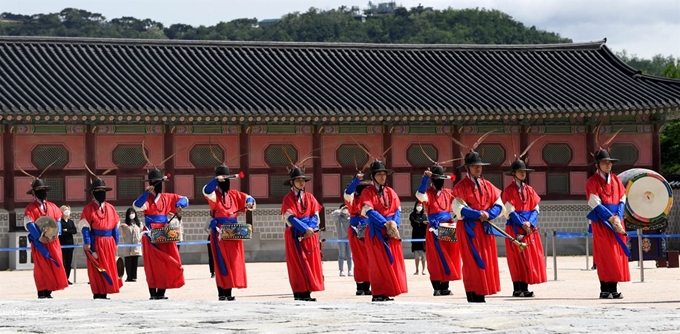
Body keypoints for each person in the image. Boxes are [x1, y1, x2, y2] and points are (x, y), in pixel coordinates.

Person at [451, 149, 504, 303]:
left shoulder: (488, 185)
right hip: (469, 229)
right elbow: (458, 208)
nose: (478, 168)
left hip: (485, 228)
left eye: (479, 166)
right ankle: (473, 294)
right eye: (474, 166)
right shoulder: (460, 186)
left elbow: (498, 204)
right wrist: (477, 214)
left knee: (486, 259)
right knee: (472, 261)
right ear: (467, 168)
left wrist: (489, 214)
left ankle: (482, 291)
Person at [133, 168, 189, 300]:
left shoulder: (167, 197)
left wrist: (180, 205)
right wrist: (146, 193)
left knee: (166, 262)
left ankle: (161, 292)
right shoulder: (146, 198)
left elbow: (184, 199)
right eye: (154, 182)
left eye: (159, 182)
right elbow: (136, 206)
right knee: (152, 264)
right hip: (151, 233)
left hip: (164, 232)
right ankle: (153, 293)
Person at [203, 164, 256, 301]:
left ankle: (229, 291)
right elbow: (206, 190)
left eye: (227, 179)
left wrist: (249, 203)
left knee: (232, 261)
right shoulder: (214, 195)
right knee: (222, 261)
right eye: (223, 179)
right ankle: (222, 292)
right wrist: (215, 180)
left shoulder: (234, 194)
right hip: (220, 231)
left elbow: (249, 198)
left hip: (234, 232)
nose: (225, 182)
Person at [359, 160, 408, 302]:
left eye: (384, 174)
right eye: (379, 174)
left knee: (390, 263)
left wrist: (394, 224)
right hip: (376, 232)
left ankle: (388, 291)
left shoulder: (390, 192)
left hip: (390, 232)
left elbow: (397, 210)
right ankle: (378, 292)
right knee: (377, 264)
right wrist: (385, 223)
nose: (382, 177)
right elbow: (369, 211)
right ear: (373, 176)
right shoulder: (367, 192)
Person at [586, 148, 629, 299]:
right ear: (597, 165)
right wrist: (611, 218)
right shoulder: (592, 181)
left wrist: (618, 217)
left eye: (609, 162)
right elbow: (595, 203)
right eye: (604, 162)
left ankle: (614, 288)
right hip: (602, 222)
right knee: (605, 254)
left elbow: (622, 198)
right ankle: (605, 288)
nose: (608, 165)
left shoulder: (616, 180)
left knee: (616, 254)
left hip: (617, 220)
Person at [502, 158, 547, 297]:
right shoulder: (508, 191)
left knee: (528, 257)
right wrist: (522, 223)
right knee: (516, 259)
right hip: (515, 227)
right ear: (514, 173)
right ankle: (517, 288)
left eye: (524, 171)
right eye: (520, 171)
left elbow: (536, 209)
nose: (523, 173)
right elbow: (509, 211)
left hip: (529, 228)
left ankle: (525, 287)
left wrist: (530, 223)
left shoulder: (530, 190)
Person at [416, 165, 462, 296]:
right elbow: (419, 195)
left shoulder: (448, 192)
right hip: (434, 228)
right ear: (433, 180)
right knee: (435, 257)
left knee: (449, 255)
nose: (440, 182)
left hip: (447, 226)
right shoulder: (428, 194)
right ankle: (436, 287)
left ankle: (445, 286)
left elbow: (459, 203)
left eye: (442, 179)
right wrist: (425, 179)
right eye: (437, 179)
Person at [281, 164, 324, 302]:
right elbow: (290, 217)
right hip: (295, 235)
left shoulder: (310, 197)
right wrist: (304, 229)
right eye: (298, 180)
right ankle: (300, 292)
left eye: (303, 180)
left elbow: (315, 214)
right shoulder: (287, 199)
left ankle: (308, 292)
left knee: (310, 263)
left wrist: (310, 229)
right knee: (297, 264)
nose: (301, 182)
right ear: (292, 182)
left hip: (309, 235)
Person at [23, 177, 69, 299]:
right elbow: (29, 224)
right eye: (38, 190)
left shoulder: (53, 206)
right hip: (39, 243)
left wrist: (55, 234)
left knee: (54, 264)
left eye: (43, 189)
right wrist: (39, 237)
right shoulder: (30, 208)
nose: (41, 192)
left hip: (53, 241)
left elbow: (58, 221)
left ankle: (50, 289)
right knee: (41, 266)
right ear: (34, 192)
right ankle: (41, 290)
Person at [79, 177, 123, 299]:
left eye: (103, 190)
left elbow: (115, 227)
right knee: (96, 269)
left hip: (109, 242)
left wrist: (116, 242)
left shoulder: (111, 208)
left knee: (108, 267)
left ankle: (106, 291)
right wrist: (87, 242)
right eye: (98, 191)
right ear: (93, 193)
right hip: (96, 241)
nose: (101, 193)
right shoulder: (88, 209)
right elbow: (85, 227)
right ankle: (98, 293)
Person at [343, 175, 373, 296]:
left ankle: (367, 285)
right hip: (356, 229)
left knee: (369, 258)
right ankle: (360, 286)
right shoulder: (351, 199)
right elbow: (348, 191)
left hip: (368, 229)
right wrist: (356, 180)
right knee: (358, 258)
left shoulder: (369, 200)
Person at [120, 207, 143, 282]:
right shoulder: (124, 223)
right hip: (128, 245)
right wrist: (122, 226)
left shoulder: (139, 223)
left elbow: (142, 232)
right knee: (128, 261)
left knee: (134, 261)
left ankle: (134, 276)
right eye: (130, 213)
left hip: (136, 245)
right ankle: (129, 276)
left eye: (133, 213)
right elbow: (118, 228)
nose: (131, 214)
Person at [331, 204, 353, 277]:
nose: (345, 209)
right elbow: (333, 214)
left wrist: (348, 210)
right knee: (342, 255)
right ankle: (341, 270)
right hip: (341, 239)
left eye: (347, 208)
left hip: (349, 239)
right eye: (344, 208)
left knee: (349, 256)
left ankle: (350, 270)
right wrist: (341, 210)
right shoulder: (338, 218)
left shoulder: (350, 217)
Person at [58, 205, 77, 285]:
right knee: (62, 262)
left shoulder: (70, 222)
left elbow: (74, 231)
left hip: (70, 244)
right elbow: (60, 232)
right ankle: (61, 278)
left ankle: (67, 278)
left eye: (68, 210)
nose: (67, 211)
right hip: (62, 244)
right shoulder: (60, 222)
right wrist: (64, 231)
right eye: (65, 210)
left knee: (68, 263)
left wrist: (67, 230)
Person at [409, 202, 427, 276]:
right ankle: (417, 270)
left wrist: (423, 223)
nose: (419, 207)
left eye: (420, 205)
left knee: (423, 255)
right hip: (415, 236)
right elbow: (414, 223)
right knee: (416, 255)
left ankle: (423, 270)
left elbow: (426, 224)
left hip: (422, 236)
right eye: (418, 205)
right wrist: (422, 222)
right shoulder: (412, 215)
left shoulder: (424, 215)